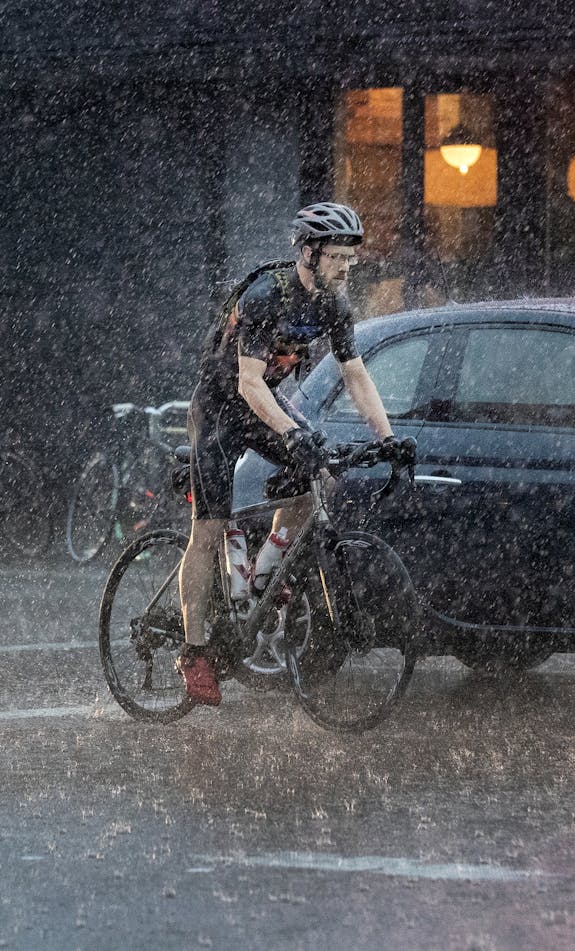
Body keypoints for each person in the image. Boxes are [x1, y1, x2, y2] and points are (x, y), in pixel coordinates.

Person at [177, 202, 396, 706]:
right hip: (217, 410)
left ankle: (265, 571)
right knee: (207, 530)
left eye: (350, 259)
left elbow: (356, 374)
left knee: (320, 474)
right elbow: (249, 382)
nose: (345, 268)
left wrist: (388, 439)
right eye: (337, 257)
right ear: (309, 252)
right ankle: (193, 653)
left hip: (260, 408)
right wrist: (292, 431)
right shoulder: (265, 296)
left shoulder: (333, 305)